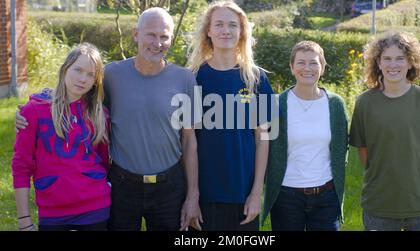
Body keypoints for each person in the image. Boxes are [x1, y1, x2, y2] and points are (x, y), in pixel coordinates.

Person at [16, 8, 202, 231]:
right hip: (123, 185)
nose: (157, 42)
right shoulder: (113, 75)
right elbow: (76, 90)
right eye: (151, 35)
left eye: (164, 36)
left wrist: (193, 195)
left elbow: (190, 140)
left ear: (172, 38)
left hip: (169, 186)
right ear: (136, 34)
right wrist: (33, 105)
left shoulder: (185, 79)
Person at [349, 31, 420, 231]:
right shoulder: (365, 102)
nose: (392, 65)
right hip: (379, 205)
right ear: (378, 62)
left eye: (399, 59)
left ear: (411, 62)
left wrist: (418, 175)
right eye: (386, 58)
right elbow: (363, 152)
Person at [188, 0, 274, 231]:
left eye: (232, 25)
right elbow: (189, 142)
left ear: (242, 31)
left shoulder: (257, 79)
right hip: (205, 197)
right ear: (208, 31)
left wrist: (257, 193)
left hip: (244, 196)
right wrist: (191, 195)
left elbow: (263, 139)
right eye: (219, 24)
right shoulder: (192, 78)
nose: (225, 30)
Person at [12, 43, 111, 231]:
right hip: (53, 212)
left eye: (91, 75)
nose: (83, 79)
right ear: (65, 69)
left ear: (96, 81)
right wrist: (24, 219)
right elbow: (21, 166)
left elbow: (103, 161)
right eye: (78, 70)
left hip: (96, 207)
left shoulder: (99, 115)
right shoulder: (34, 111)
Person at [261, 41, 348, 231]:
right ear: (292, 67)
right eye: (301, 62)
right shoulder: (276, 104)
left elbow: (342, 150)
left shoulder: (336, 104)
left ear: (322, 68)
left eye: (314, 62)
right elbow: (261, 147)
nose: (307, 68)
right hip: (286, 196)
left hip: (326, 197)